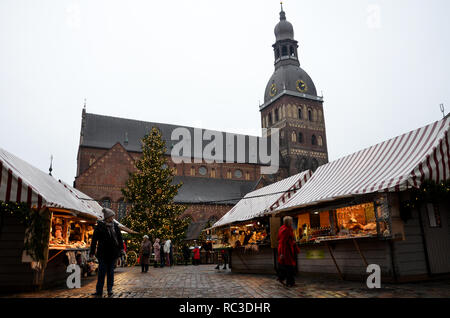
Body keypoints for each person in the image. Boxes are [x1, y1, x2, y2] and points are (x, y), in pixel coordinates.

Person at [89, 208, 124, 297]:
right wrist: (92, 251)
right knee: (101, 272)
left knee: (110, 272)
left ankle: (110, 289)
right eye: (112, 216)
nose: (113, 218)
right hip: (103, 253)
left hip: (113, 253)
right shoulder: (100, 226)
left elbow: (119, 239)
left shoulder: (115, 226)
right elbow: (94, 240)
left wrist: (121, 249)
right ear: (107, 217)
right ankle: (99, 291)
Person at [277, 216, 300, 287]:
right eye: (291, 221)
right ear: (287, 222)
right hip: (286, 250)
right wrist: (282, 253)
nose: (292, 222)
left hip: (287, 249)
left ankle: (282, 278)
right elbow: (283, 242)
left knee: (287, 266)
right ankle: (290, 282)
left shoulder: (284, 228)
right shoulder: (285, 230)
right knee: (290, 266)